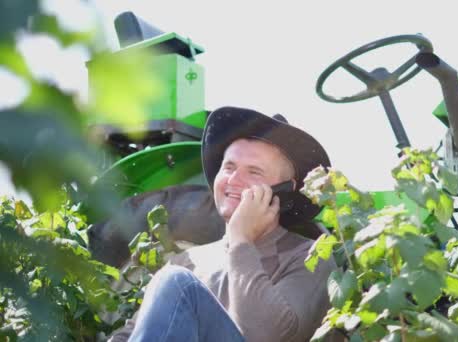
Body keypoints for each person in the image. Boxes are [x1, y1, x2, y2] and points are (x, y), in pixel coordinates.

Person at [109, 106, 335, 342]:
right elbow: (130, 335)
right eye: (228, 167)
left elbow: (264, 336)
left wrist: (241, 240)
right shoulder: (186, 262)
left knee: (176, 282)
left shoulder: (309, 257)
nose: (234, 180)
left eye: (254, 172)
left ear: (285, 191)